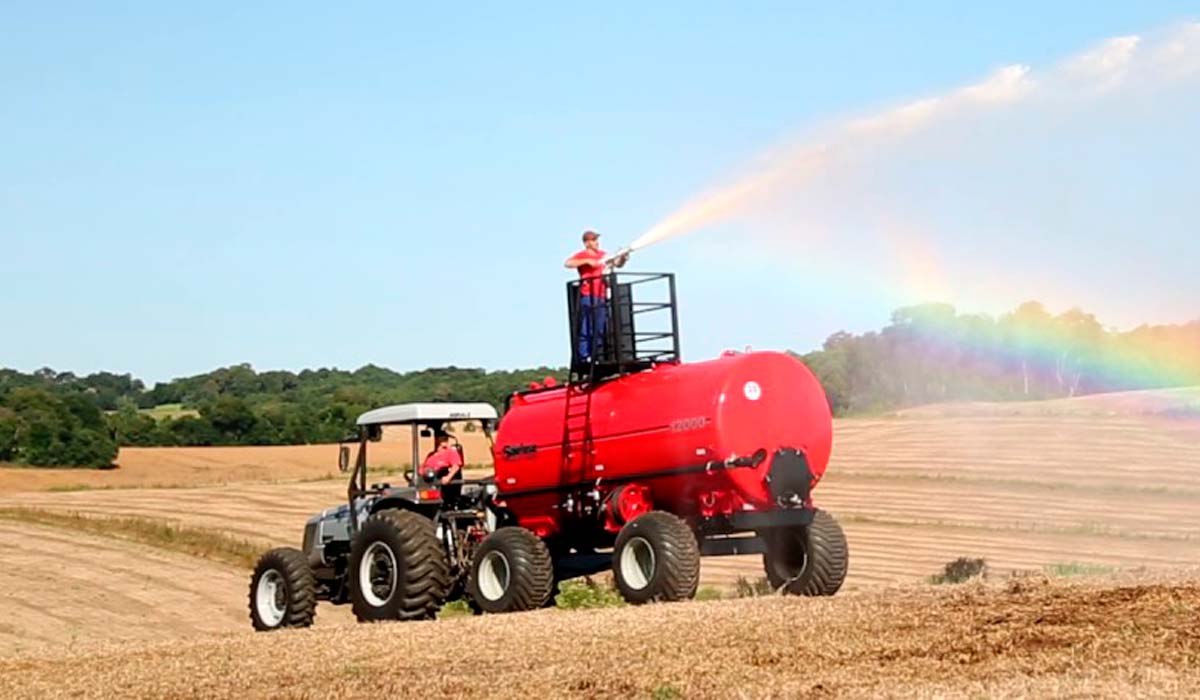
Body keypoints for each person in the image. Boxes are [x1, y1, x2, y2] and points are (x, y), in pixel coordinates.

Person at [564, 230, 627, 362]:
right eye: (593, 240)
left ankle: (595, 354)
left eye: (596, 239)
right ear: (586, 243)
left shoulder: (603, 255)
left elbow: (616, 264)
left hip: (602, 294)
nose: (596, 242)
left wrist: (623, 258)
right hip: (588, 294)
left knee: (599, 326)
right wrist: (586, 261)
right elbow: (568, 263)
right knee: (587, 326)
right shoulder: (582, 255)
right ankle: (583, 356)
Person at [422, 432, 464, 498]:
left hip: (443, 485)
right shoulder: (431, 455)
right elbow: (424, 468)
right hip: (429, 482)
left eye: (445, 439)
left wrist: (448, 477)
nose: (444, 441)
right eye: (441, 438)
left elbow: (456, 466)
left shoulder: (451, 452)